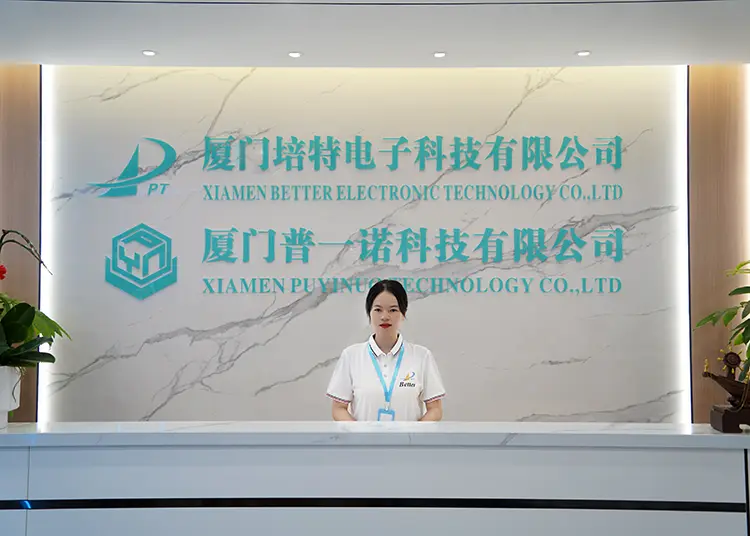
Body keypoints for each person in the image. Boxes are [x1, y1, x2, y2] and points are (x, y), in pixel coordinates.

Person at [326, 279, 446, 422]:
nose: (384, 316)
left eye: (393, 310)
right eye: (378, 310)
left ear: (403, 313)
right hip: (364, 437)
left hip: (408, 437)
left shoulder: (422, 356)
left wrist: (413, 434)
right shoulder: (351, 356)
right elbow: (338, 408)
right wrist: (358, 433)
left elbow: (435, 409)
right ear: (369, 313)